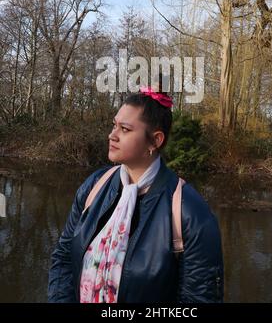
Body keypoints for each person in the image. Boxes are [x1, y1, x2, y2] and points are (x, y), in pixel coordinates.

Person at [48, 86, 224, 303]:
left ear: (155, 141)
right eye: (114, 125)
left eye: (125, 129)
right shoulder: (94, 186)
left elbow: (198, 299)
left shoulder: (189, 212)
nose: (112, 135)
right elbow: (64, 258)